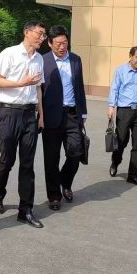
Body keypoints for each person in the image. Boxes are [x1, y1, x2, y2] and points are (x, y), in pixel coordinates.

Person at [0, 21, 46, 228]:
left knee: (28, 163)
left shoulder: (39, 59)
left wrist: (41, 115)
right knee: (7, 159)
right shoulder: (9, 54)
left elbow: (38, 88)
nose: (42, 38)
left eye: (43, 35)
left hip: (29, 114)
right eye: (39, 34)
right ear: (27, 32)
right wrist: (21, 83)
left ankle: (26, 209)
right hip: (9, 112)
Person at [41, 25, 87, 210]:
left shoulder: (75, 59)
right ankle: (54, 196)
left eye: (65, 43)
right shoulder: (42, 61)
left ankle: (65, 182)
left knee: (76, 152)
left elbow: (79, 87)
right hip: (50, 116)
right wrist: (39, 115)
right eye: (58, 43)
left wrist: (83, 112)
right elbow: (38, 90)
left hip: (72, 114)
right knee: (51, 158)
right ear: (50, 43)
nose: (62, 47)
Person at [107, 46, 137, 185]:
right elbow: (114, 89)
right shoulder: (120, 71)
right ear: (130, 56)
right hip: (124, 111)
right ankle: (115, 161)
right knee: (121, 141)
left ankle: (133, 175)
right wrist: (111, 106)